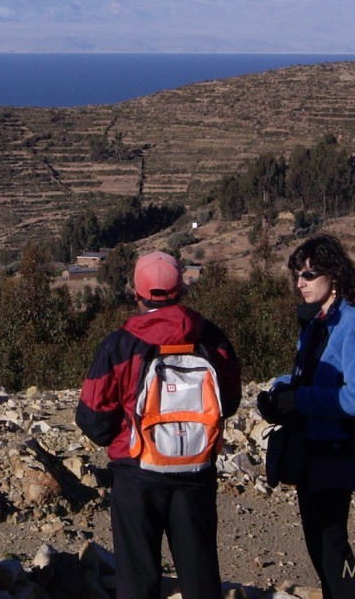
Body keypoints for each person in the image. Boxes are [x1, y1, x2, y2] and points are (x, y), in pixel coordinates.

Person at [76, 250, 242, 599]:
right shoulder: (211, 338)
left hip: (137, 473)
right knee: (200, 578)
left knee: (137, 580)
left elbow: (93, 419)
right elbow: (228, 402)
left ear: (136, 293)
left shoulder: (120, 344)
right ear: (181, 290)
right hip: (196, 471)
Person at [257, 234, 355, 599]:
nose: (300, 283)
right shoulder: (318, 322)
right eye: (298, 274)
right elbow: (308, 374)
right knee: (320, 549)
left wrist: (301, 401)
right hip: (315, 449)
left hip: (337, 452)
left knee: (332, 550)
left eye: (309, 275)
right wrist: (279, 390)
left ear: (334, 276)